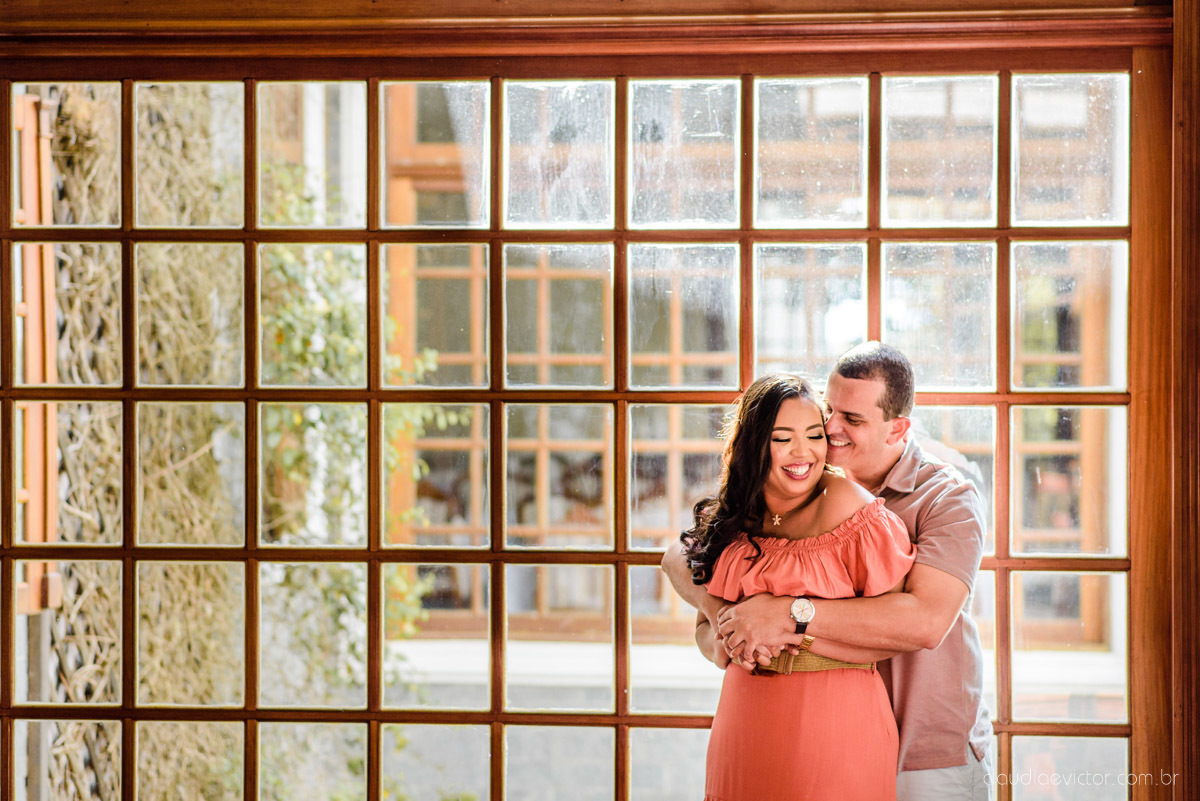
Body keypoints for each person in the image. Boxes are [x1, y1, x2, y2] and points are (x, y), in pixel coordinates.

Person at [662, 342, 994, 801]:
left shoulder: (947, 497)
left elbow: (926, 621)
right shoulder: (802, 483)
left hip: (927, 750)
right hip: (795, 730)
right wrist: (725, 620)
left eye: (852, 420)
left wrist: (788, 614)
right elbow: (683, 555)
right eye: (829, 411)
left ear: (898, 429)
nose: (831, 429)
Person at [678, 372, 916, 801]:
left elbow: (891, 637)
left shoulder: (851, 509)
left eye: (813, 435)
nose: (802, 452)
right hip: (743, 728)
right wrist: (726, 637)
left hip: (836, 730)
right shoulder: (734, 519)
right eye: (782, 438)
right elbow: (705, 630)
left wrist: (788, 625)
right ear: (754, 445)